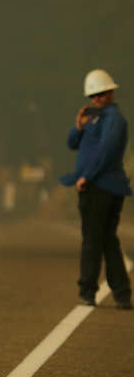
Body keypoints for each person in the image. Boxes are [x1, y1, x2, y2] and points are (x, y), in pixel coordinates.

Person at [60, 69, 132, 310]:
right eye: (93, 96)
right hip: (98, 187)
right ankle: (121, 293)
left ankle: (88, 291)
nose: (96, 99)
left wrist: (86, 177)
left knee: (92, 241)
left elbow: (106, 152)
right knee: (107, 240)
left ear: (111, 92)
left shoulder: (114, 120)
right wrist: (79, 126)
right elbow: (72, 143)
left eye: (101, 94)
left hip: (101, 188)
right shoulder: (96, 119)